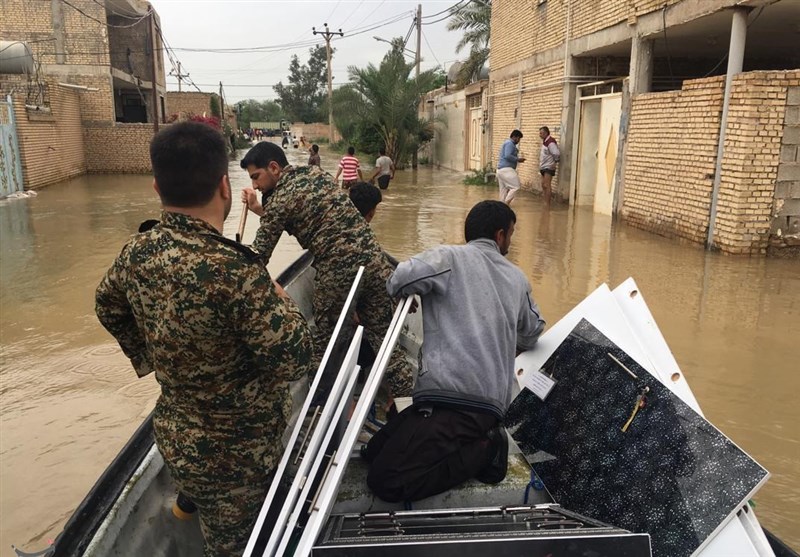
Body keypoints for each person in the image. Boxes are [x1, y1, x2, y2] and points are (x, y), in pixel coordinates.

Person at [95, 122, 313, 556]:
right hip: (239, 458)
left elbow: (106, 305)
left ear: (157, 187)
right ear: (224, 188)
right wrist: (279, 297)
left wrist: (154, 355)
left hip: (177, 440)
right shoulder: (237, 272)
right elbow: (296, 360)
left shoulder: (136, 253)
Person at [362, 200, 545, 503]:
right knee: (372, 451)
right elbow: (532, 331)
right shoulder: (517, 278)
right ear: (499, 235)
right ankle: (476, 440)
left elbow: (398, 279)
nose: (510, 243)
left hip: (458, 407)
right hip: (465, 404)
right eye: (511, 235)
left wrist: (413, 291)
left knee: (384, 480)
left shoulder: (446, 258)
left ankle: (486, 449)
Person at [239, 142, 414, 400]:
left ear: (274, 168)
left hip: (338, 270)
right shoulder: (315, 174)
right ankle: (408, 405)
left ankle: (321, 405)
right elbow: (298, 215)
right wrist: (258, 208)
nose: (254, 186)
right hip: (375, 263)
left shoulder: (279, 200)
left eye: (256, 177)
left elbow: (259, 255)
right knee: (384, 341)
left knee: (325, 345)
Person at [497, 129, 525, 205]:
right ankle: (506, 204)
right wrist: (518, 159)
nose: (519, 141)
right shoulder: (510, 144)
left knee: (503, 189)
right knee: (516, 187)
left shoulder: (508, 143)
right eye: (519, 138)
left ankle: (501, 205)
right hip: (507, 169)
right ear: (515, 137)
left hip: (501, 170)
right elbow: (507, 155)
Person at [539, 126, 560, 204]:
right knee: (543, 185)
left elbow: (556, 153)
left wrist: (555, 162)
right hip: (543, 166)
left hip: (548, 166)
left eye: (541, 133)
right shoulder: (545, 141)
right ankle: (545, 201)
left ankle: (547, 204)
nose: (540, 135)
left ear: (546, 133)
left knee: (546, 185)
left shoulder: (550, 142)